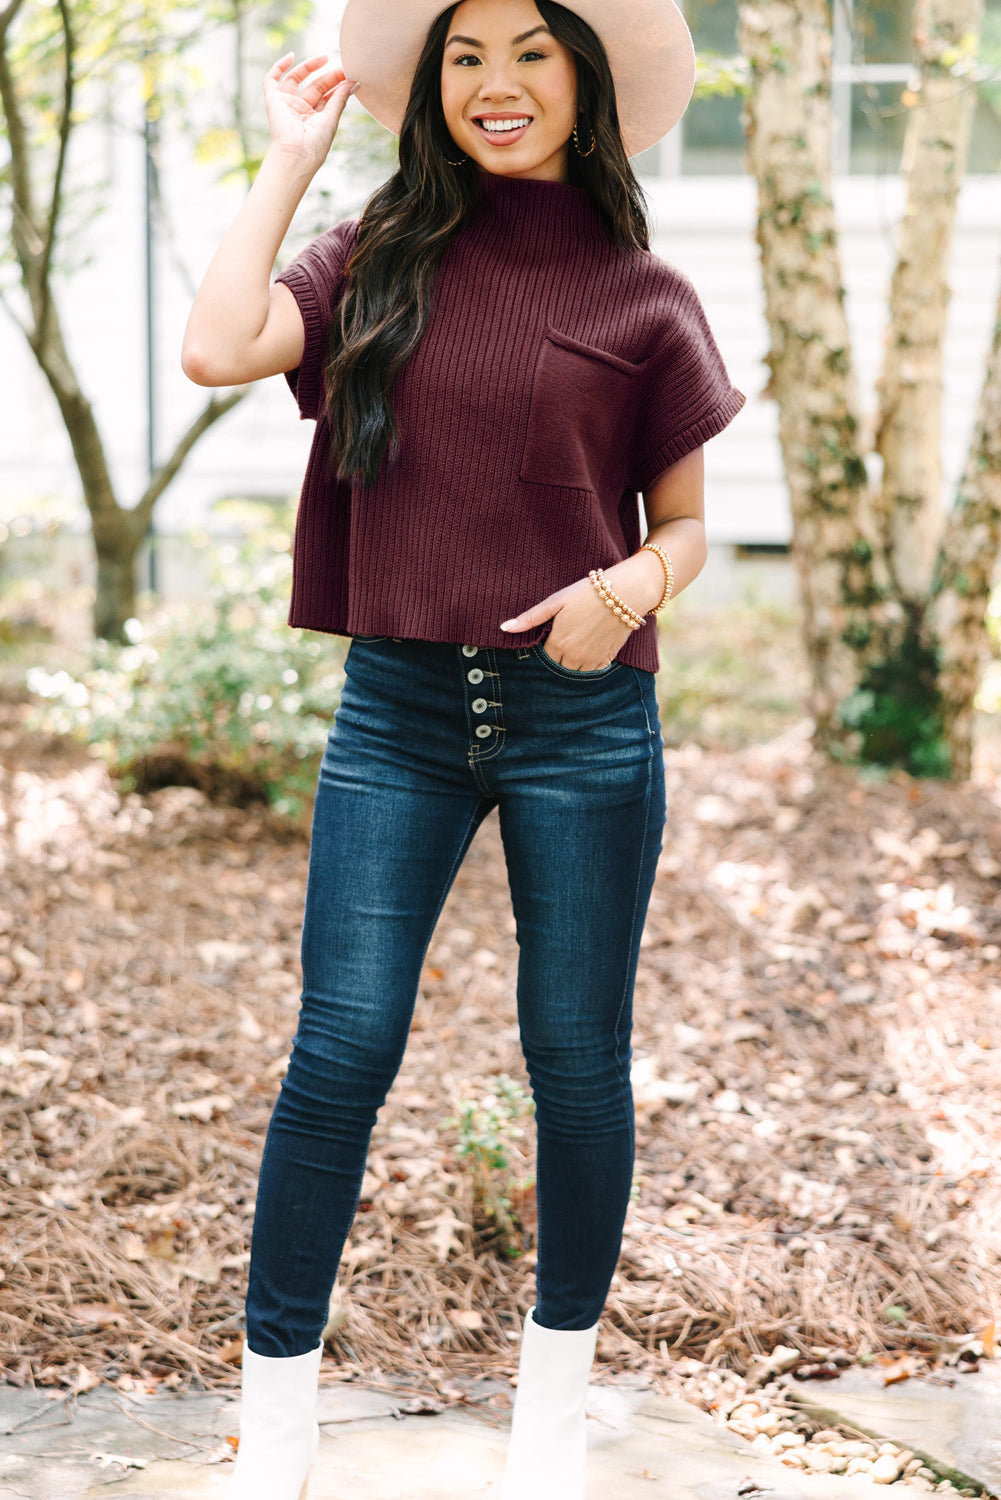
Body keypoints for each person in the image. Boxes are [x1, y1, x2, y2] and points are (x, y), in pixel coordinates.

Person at [182, 1, 744, 1495]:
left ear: (585, 80)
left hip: (581, 723)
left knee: (573, 1063)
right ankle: (278, 1423)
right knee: (339, 1052)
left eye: (530, 53)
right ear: (431, 88)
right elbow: (214, 345)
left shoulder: (645, 297)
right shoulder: (377, 256)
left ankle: (550, 1419)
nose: (495, 84)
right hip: (399, 716)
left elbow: (685, 530)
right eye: (467, 57)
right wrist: (293, 159)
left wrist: (624, 586)